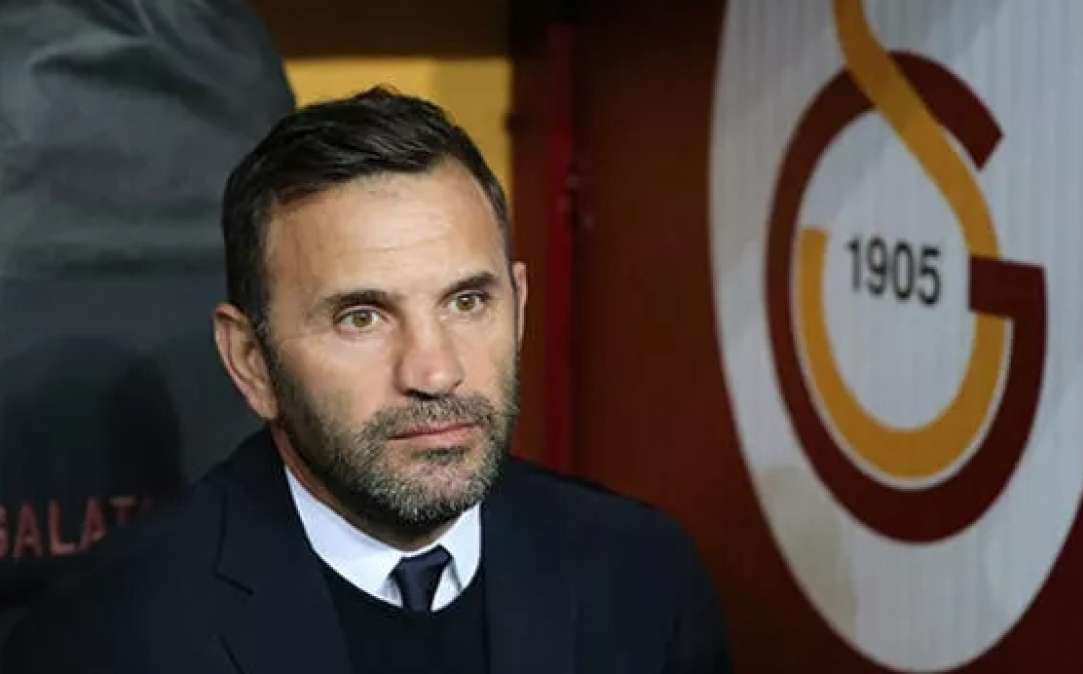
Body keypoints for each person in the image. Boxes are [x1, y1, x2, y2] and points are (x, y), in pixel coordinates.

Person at [1, 88, 731, 674]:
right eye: (361, 318)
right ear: (251, 361)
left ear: (518, 307)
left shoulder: (642, 575)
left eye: (467, 303)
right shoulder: (108, 637)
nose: (435, 371)